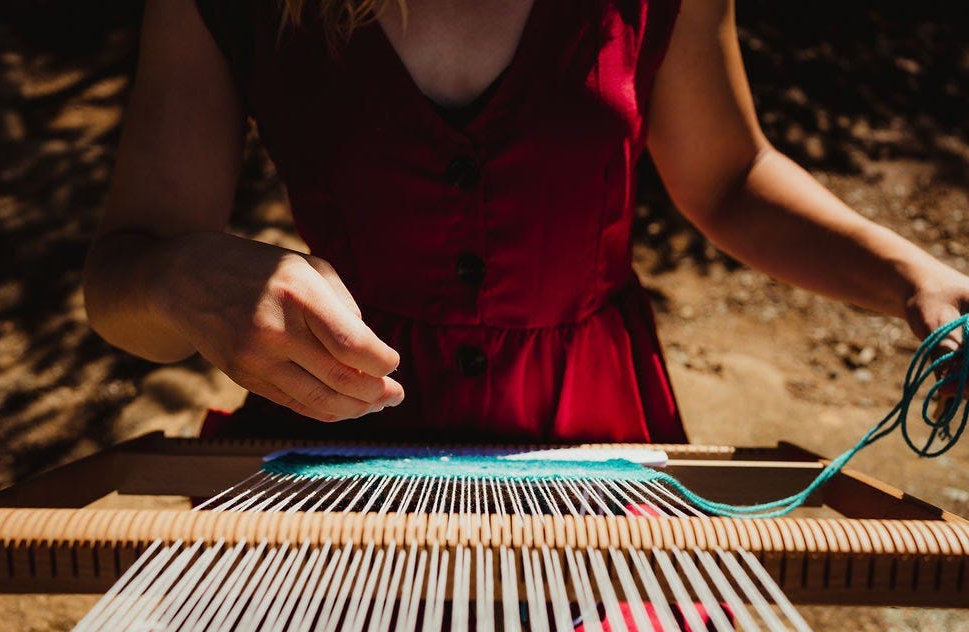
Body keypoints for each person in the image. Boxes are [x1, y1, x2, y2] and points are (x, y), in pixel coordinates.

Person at [84, 0, 969, 444]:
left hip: (595, 439)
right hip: (335, 438)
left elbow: (731, 179)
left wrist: (912, 277)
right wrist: (179, 276)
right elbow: (122, 279)